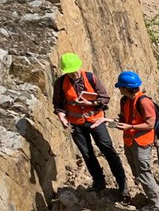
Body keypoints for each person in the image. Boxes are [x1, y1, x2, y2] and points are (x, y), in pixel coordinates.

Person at [52, 52, 128, 197]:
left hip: (96, 121)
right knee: (87, 154)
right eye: (69, 73)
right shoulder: (61, 83)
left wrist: (91, 103)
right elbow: (58, 104)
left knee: (108, 149)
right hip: (76, 124)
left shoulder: (91, 78)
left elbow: (104, 98)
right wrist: (62, 117)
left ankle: (122, 183)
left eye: (74, 71)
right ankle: (99, 182)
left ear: (79, 67)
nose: (73, 75)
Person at [112, 71, 159, 211]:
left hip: (142, 142)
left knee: (144, 173)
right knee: (138, 173)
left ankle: (156, 206)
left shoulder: (143, 102)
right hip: (130, 141)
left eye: (120, 87)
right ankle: (151, 200)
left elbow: (150, 123)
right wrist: (118, 122)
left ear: (126, 87)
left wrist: (130, 126)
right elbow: (125, 118)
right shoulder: (125, 100)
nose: (119, 89)